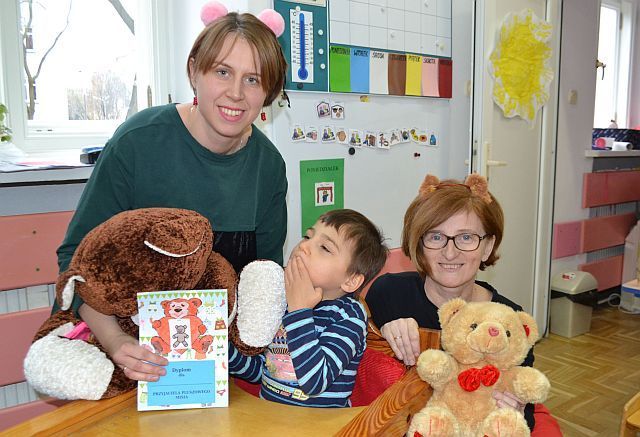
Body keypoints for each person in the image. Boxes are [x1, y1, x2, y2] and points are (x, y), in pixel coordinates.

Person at [54, 9, 288, 383]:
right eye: (222, 72)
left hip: (219, 371)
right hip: (121, 356)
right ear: (194, 71)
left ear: (268, 93)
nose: (236, 92)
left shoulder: (268, 167)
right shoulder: (138, 143)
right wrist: (115, 342)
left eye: (253, 79)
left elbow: (263, 279)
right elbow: (76, 259)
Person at [365, 174, 536, 430]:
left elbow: (528, 416)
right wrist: (381, 334)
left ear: (488, 247)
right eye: (436, 237)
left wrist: (517, 412)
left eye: (466, 237)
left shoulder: (509, 320)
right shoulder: (387, 294)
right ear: (419, 244)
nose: (450, 252)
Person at [229, 209, 389, 407]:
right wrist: (223, 350)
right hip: (269, 418)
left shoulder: (349, 316)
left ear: (351, 280)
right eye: (307, 236)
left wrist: (299, 311)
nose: (304, 246)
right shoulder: (282, 303)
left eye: (325, 248)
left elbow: (314, 381)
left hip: (320, 423)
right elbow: (264, 371)